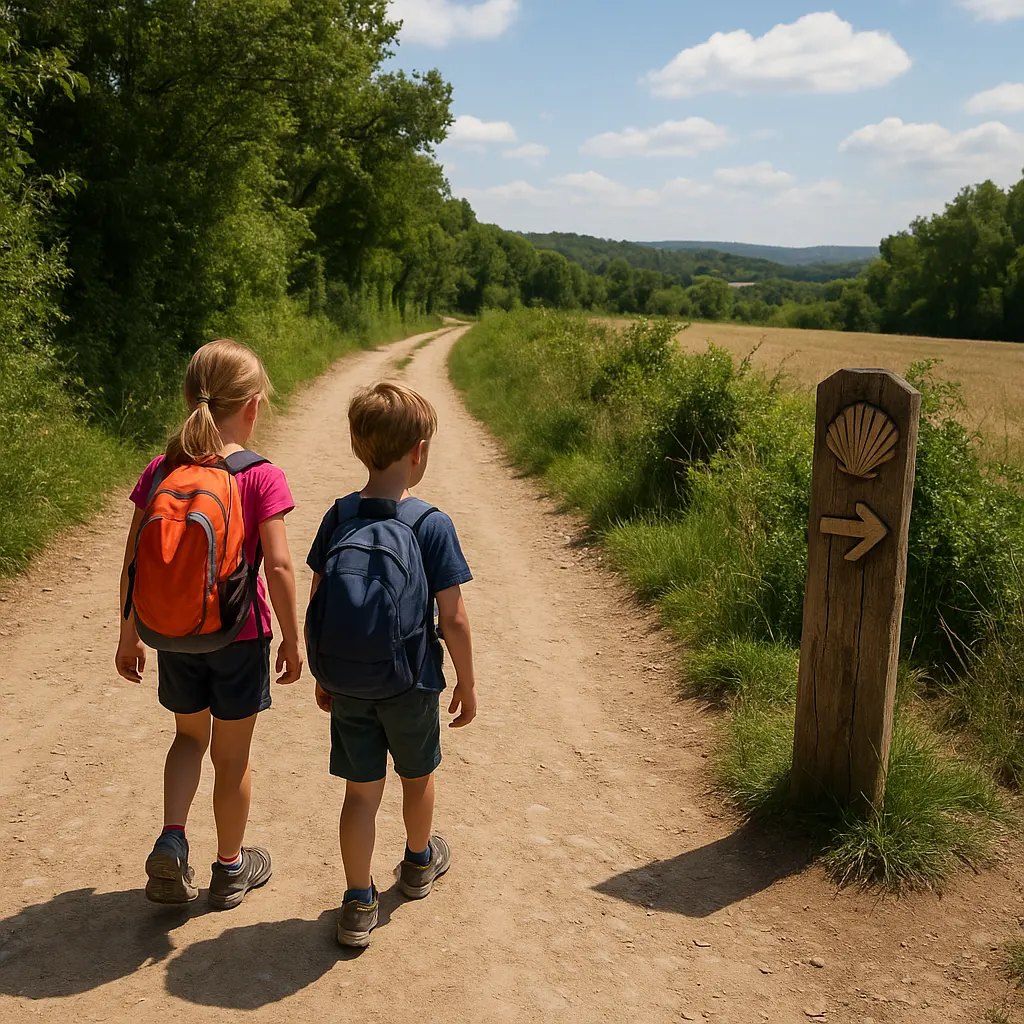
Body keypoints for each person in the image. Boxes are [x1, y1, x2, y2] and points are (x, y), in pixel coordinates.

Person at [115, 339, 303, 909]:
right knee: (232, 756)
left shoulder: (162, 468)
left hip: (175, 633)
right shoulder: (261, 476)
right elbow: (279, 565)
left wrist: (128, 634)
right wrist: (293, 639)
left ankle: (172, 839)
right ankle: (229, 868)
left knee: (187, 738)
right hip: (240, 637)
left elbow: (133, 558)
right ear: (252, 406)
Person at [306, 382, 477, 948]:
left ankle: (358, 902)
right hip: (413, 682)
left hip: (349, 683)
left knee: (360, 794)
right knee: (417, 777)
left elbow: (320, 600)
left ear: (359, 446)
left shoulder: (339, 516)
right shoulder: (431, 524)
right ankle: (418, 863)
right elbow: (453, 617)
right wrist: (467, 682)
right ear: (418, 452)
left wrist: (325, 673)